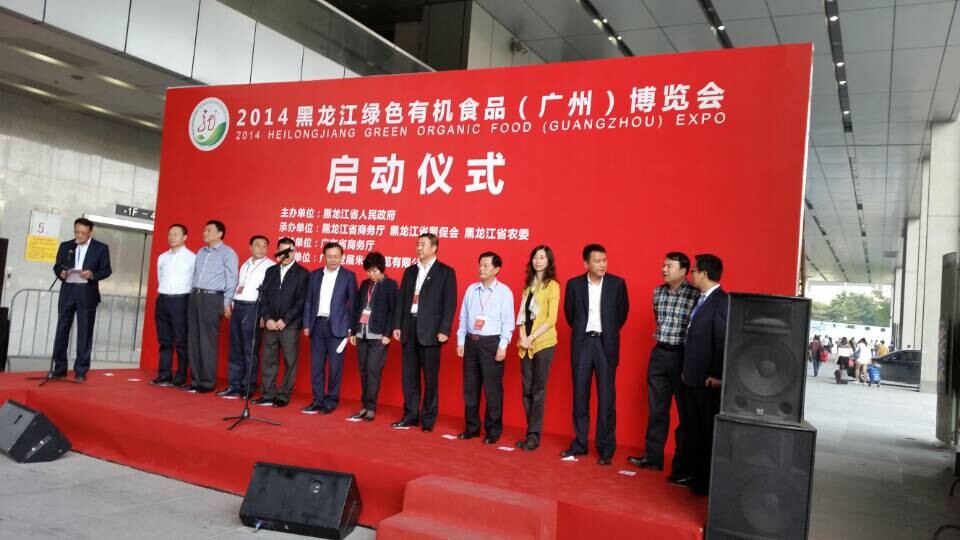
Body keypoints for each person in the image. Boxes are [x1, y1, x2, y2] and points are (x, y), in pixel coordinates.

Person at [628, 252, 699, 484]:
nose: (664, 269)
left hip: (683, 356)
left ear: (683, 270)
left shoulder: (695, 294)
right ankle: (653, 458)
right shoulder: (657, 292)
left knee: (686, 414)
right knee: (657, 410)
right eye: (663, 265)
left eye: (669, 266)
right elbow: (658, 319)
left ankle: (682, 467)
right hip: (660, 354)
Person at [561, 244, 630, 466]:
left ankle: (605, 447)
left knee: (606, 398)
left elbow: (622, 313)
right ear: (586, 263)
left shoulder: (617, 284)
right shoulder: (574, 284)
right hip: (582, 344)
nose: (602, 264)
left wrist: (607, 331)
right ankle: (580, 443)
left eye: (604, 260)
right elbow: (570, 315)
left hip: (605, 344)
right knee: (580, 396)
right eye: (597, 261)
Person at [391, 234, 458, 433]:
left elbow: (450, 303)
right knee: (409, 376)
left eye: (423, 244)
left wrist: (444, 329)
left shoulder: (445, 272)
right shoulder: (410, 271)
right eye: (417, 244)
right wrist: (397, 325)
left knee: (430, 378)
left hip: (431, 331)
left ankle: (428, 419)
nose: (419, 248)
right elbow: (402, 299)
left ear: (434, 247)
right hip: (409, 327)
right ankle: (410, 415)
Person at [680, 254, 728, 496]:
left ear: (704, 274)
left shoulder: (721, 301)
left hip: (708, 380)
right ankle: (694, 475)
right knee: (694, 428)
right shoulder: (701, 299)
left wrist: (716, 373)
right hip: (693, 375)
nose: (692, 275)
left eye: (694, 271)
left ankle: (704, 481)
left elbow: (721, 340)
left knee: (705, 430)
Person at [456, 252, 515, 445]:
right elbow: (463, 316)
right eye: (480, 264)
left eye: (486, 265)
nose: (481, 268)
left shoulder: (504, 292)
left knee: (492, 389)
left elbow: (508, 322)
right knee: (470, 388)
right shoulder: (471, 289)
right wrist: (461, 341)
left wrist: (503, 346)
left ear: (496, 269)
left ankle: (493, 430)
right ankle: (472, 428)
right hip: (471, 342)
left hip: (491, 344)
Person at [51, 217, 112, 381]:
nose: (79, 236)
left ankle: (81, 370)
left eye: (83, 233)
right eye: (76, 232)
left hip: (87, 293)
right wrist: (61, 272)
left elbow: (106, 270)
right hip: (68, 291)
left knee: (84, 332)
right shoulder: (66, 246)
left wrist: (92, 274)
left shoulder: (101, 248)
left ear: (90, 232)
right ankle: (59, 368)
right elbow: (57, 266)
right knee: (62, 330)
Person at [514, 245, 560, 451]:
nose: (538, 260)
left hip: (543, 343)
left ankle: (534, 436)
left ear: (548, 261)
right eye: (535, 257)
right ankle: (530, 433)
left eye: (542, 257)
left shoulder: (553, 286)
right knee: (526, 390)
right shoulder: (528, 287)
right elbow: (521, 316)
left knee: (538, 391)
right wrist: (523, 337)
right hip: (525, 344)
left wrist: (532, 337)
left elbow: (551, 319)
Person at [302, 242, 357, 414]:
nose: (333, 259)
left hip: (338, 328)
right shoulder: (314, 275)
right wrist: (306, 324)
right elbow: (309, 300)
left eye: (336, 256)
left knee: (335, 368)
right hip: (317, 325)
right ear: (323, 256)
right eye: (329, 256)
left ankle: (331, 400)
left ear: (342, 257)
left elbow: (353, 305)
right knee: (316, 366)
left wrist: (351, 328)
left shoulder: (349, 276)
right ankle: (317, 400)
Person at [185, 220, 238, 394]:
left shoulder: (228, 253)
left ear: (220, 234)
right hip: (195, 296)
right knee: (193, 339)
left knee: (207, 341)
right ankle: (195, 379)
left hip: (213, 298)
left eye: (209, 230)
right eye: (204, 230)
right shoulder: (201, 252)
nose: (204, 233)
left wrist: (227, 302)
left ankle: (207, 382)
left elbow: (232, 279)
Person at [254, 237, 308, 408]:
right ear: (277, 252)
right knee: (269, 360)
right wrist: (267, 318)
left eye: (289, 251)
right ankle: (268, 394)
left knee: (290, 361)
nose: (286, 254)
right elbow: (263, 296)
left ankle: (283, 395)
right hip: (270, 324)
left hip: (289, 326)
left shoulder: (302, 273)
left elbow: (301, 301)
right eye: (283, 251)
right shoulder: (271, 271)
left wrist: (285, 320)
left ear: (295, 252)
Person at [220, 235, 275, 398]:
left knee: (250, 350)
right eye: (257, 245)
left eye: (264, 246)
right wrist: (231, 304)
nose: (261, 248)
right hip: (238, 306)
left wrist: (264, 315)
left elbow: (269, 294)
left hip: (254, 308)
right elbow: (239, 286)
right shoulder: (245, 264)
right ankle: (234, 385)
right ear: (250, 247)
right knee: (236, 348)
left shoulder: (271, 267)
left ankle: (248, 387)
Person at [348, 252, 398, 421]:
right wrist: (353, 331)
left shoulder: (390, 285)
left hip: (378, 335)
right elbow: (356, 308)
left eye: (375, 271)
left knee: (373, 371)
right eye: (369, 271)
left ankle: (371, 407)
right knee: (363, 371)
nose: (371, 274)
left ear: (382, 269)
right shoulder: (364, 284)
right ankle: (364, 405)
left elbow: (393, 311)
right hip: (361, 333)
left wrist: (387, 334)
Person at [150, 224, 195, 387]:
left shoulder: (192, 258)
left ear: (185, 237)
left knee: (181, 340)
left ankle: (181, 375)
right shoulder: (162, 257)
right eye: (170, 234)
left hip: (181, 301)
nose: (172, 237)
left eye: (176, 234)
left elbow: (195, 280)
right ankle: (164, 374)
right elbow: (160, 278)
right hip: (162, 299)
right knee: (164, 340)